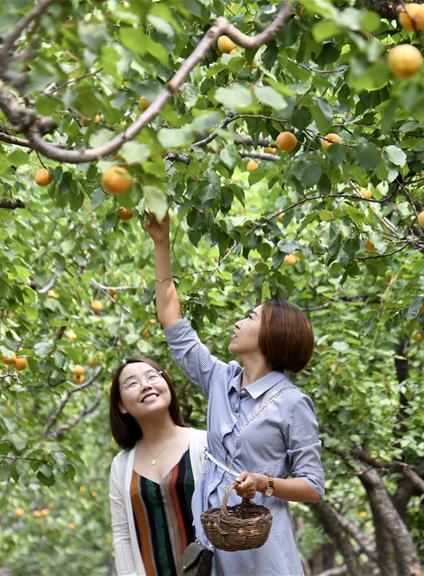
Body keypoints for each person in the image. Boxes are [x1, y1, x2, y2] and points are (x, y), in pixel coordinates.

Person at [145, 213, 324, 576]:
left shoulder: (292, 403)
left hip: (262, 553)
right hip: (214, 546)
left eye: (250, 317)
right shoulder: (219, 379)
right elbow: (172, 323)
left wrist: (265, 482)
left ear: (274, 335)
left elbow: (313, 487)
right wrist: (161, 244)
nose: (238, 323)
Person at [109, 356, 209, 576]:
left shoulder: (204, 444)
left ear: (167, 385)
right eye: (132, 383)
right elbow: (123, 535)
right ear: (122, 406)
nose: (146, 385)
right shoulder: (121, 465)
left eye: (152, 376)